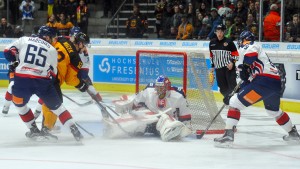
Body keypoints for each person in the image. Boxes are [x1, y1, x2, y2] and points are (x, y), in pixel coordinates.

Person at [214, 31, 300, 147]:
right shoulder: (254, 52)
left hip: (263, 83)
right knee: (273, 111)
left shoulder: (250, 45)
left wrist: (245, 66)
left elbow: (250, 55)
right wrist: (233, 93)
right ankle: (293, 133)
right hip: (275, 84)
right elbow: (246, 81)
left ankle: (228, 136)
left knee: (235, 103)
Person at [3, 26, 83, 141]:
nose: (53, 40)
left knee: (19, 105)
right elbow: (53, 74)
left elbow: (7, 51)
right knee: (58, 108)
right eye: (52, 37)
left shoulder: (24, 39)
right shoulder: (51, 49)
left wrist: (15, 62)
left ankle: (33, 130)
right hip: (43, 81)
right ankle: (74, 129)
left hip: (22, 79)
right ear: (47, 37)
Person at [104, 75, 192, 142]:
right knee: (140, 114)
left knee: (165, 118)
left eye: (162, 87)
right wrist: (127, 104)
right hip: (150, 121)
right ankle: (115, 126)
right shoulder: (149, 91)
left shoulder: (178, 96)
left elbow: (186, 116)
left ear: (167, 87)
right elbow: (135, 102)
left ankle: (170, 132)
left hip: (167, 121)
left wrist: (185, 128)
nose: (159, 90)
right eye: (158, 87)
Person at [40, 26, 89, 134]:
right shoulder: (76, 59)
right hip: (52, 79)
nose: (85, 48)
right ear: (80, 44)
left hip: (40, 70)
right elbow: (70, 80)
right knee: (55, 102)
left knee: (48, 100)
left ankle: (45, 125)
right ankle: (46, 129)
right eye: (84, 45)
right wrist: (81, 85)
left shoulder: (62, 39)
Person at [69, 27, 102, 101]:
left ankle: (99, 101)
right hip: (81, 67)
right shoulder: (75, 44)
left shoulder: (78, 47)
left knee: (88, 86)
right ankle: (100, 101)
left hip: (81, 67)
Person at [209, 24, 239, 102]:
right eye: (217, 31)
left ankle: (235, 102)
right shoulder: (212, 43)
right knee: (222, 88)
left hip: (228, 68)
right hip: (218, 69)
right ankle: (229, 101)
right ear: (215, 32)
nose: (219, 33)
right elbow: (212, 56)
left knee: (232, 86)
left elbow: (236, 55)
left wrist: (232, 63)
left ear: (224, 32)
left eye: (221, 31)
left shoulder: (229, 42)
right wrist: (212, 66)